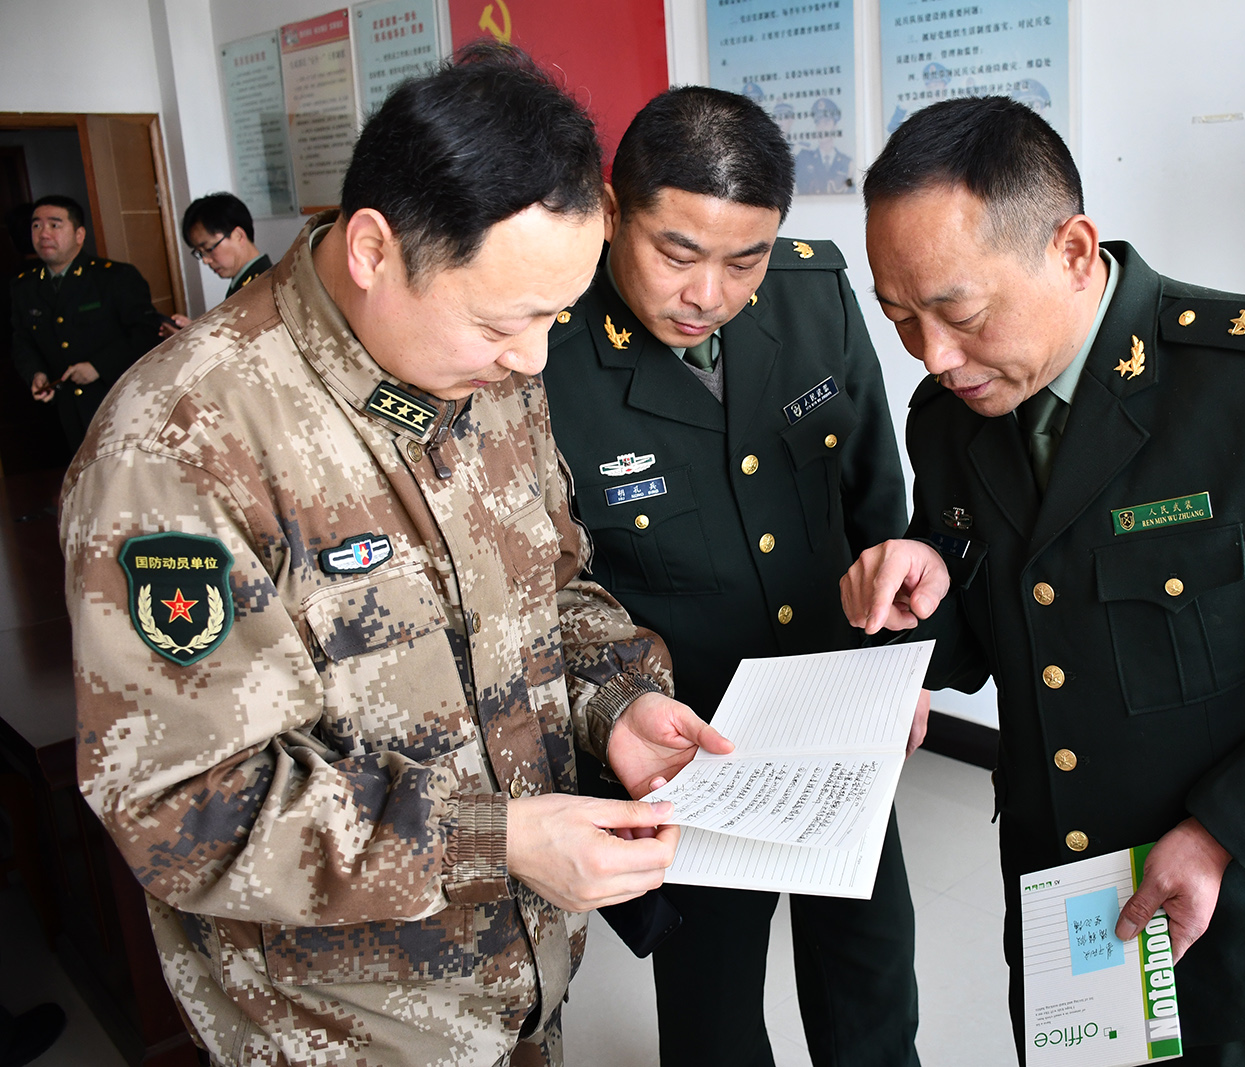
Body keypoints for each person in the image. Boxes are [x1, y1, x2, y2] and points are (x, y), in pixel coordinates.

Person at [60, 44, 731, 1067]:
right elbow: (182, 805)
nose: (533, 357)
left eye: (553, 315)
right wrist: (493, 838)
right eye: (503, 320)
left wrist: (617, 701)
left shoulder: (485, 366)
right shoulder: (183, 440)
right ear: (373, 249)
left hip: (523, 981)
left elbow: (553, 588)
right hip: (341, 1022)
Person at [840, 96, 1245, 1065]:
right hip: (1075, 904)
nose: (933, 355)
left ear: (1071, 249)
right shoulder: (950, 415)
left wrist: (1224, 830)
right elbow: (998, 620)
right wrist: (920, 586)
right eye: (898, 318)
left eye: (958, 311)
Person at [542, 86, 919, 1067]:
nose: (708, 291)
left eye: (742, 259)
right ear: (615, 212)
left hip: (838, 713)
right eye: (677, 252)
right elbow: (546, 582)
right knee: (711, 1010)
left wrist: (896, 671)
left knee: (872, 973)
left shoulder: (811, 294)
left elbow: (876, 502)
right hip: (687, 745)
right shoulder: (547, 353)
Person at [9, 195, 160, 448]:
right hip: (63, 413)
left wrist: (98, 366)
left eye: (54, 225)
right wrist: (35, 373)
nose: (44, 233)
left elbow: (147, 332)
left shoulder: (115, 277)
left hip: (118, 403)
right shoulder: (24, 287)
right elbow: (22, 341)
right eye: (36, 225)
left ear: (79, 235)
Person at [162, 192, 272, 334]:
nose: (206, 260)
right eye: (200, 253)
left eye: (209, 249)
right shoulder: (247, 282)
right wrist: (193, 330)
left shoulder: (259, 287)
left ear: (238, 236)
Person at [794, 97, 852, 194]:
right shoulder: (804, 159)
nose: (822, 128)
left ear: (835, 127)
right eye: (818, 123)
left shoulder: (847, 163)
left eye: (826, 122)